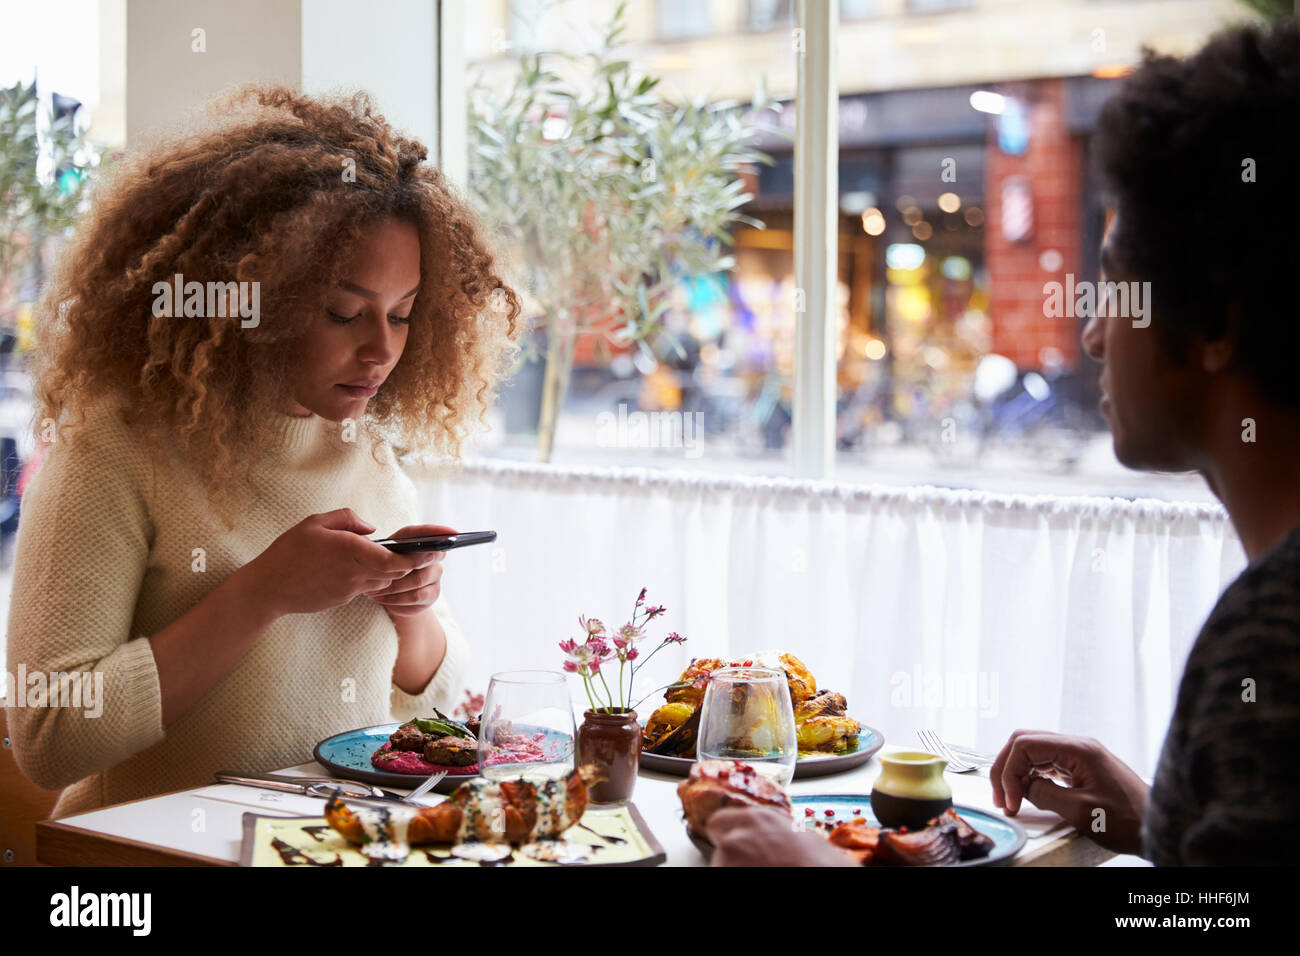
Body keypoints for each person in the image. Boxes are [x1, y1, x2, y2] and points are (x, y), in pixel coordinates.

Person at [707, 17, 1300, 866]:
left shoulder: (1274, 636)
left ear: (1217, 324)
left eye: (1114, 289)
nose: (1093, 337)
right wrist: (1161, 821)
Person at [3, 86, 521, 816]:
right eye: (344, 312)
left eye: (402, 315)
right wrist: (261, 593)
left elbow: (416, 710)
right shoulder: (115, 449)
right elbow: (49, 736)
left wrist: (412, 611)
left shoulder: (365, 453)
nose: (381, 349)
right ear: (252, 296)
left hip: (322, 847)